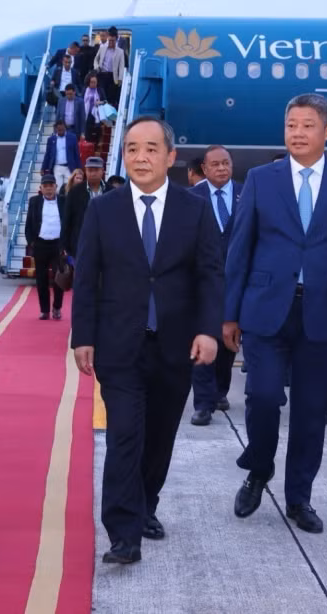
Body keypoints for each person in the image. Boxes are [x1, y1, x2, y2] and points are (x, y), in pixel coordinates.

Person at [72, 116, 222, 564]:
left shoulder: (194, 209)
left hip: (176, 345)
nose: (141, 157)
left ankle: (146, 505)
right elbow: (86, 277)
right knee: (124, 437)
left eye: (151, 148)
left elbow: (212, 274)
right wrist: (83, 336)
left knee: (159, 438)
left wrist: (209, 329)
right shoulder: (104, 209)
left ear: (170, 157)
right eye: (133, 148)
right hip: (119, 345)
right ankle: (123, 532)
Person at [225, 93, 327, 534]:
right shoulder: (260, 179)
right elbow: (239, 249)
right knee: (264, 396)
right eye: (291, 125)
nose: (297, 133)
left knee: (311, 412)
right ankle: (259, 467)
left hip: (325, 311)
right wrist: (228, 314)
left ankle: (299, 497)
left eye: (307, 126)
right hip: (266, 310)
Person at [189, 146, 243, 426]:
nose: (222, 168)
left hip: (237, 284)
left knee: (228, 343)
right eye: (216, 165)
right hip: (202, 284)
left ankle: (220, 391)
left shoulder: (247, 194)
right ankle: (203, 404)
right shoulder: (192, 197)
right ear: (205, 170)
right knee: (202, 338)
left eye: (226, 163)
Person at [25, 174, 65, 320]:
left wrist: (66, 244)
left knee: (59, 278)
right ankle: (45, 310)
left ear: (56, 187)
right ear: (41, 188)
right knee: (41, 279)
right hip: (40, 244)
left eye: (51, 186)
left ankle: (57, 307)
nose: (48, 189)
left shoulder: (63, 201)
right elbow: (28, 224)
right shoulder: (34, 201)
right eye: (45, 186)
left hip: (57, 245)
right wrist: (32, 243)